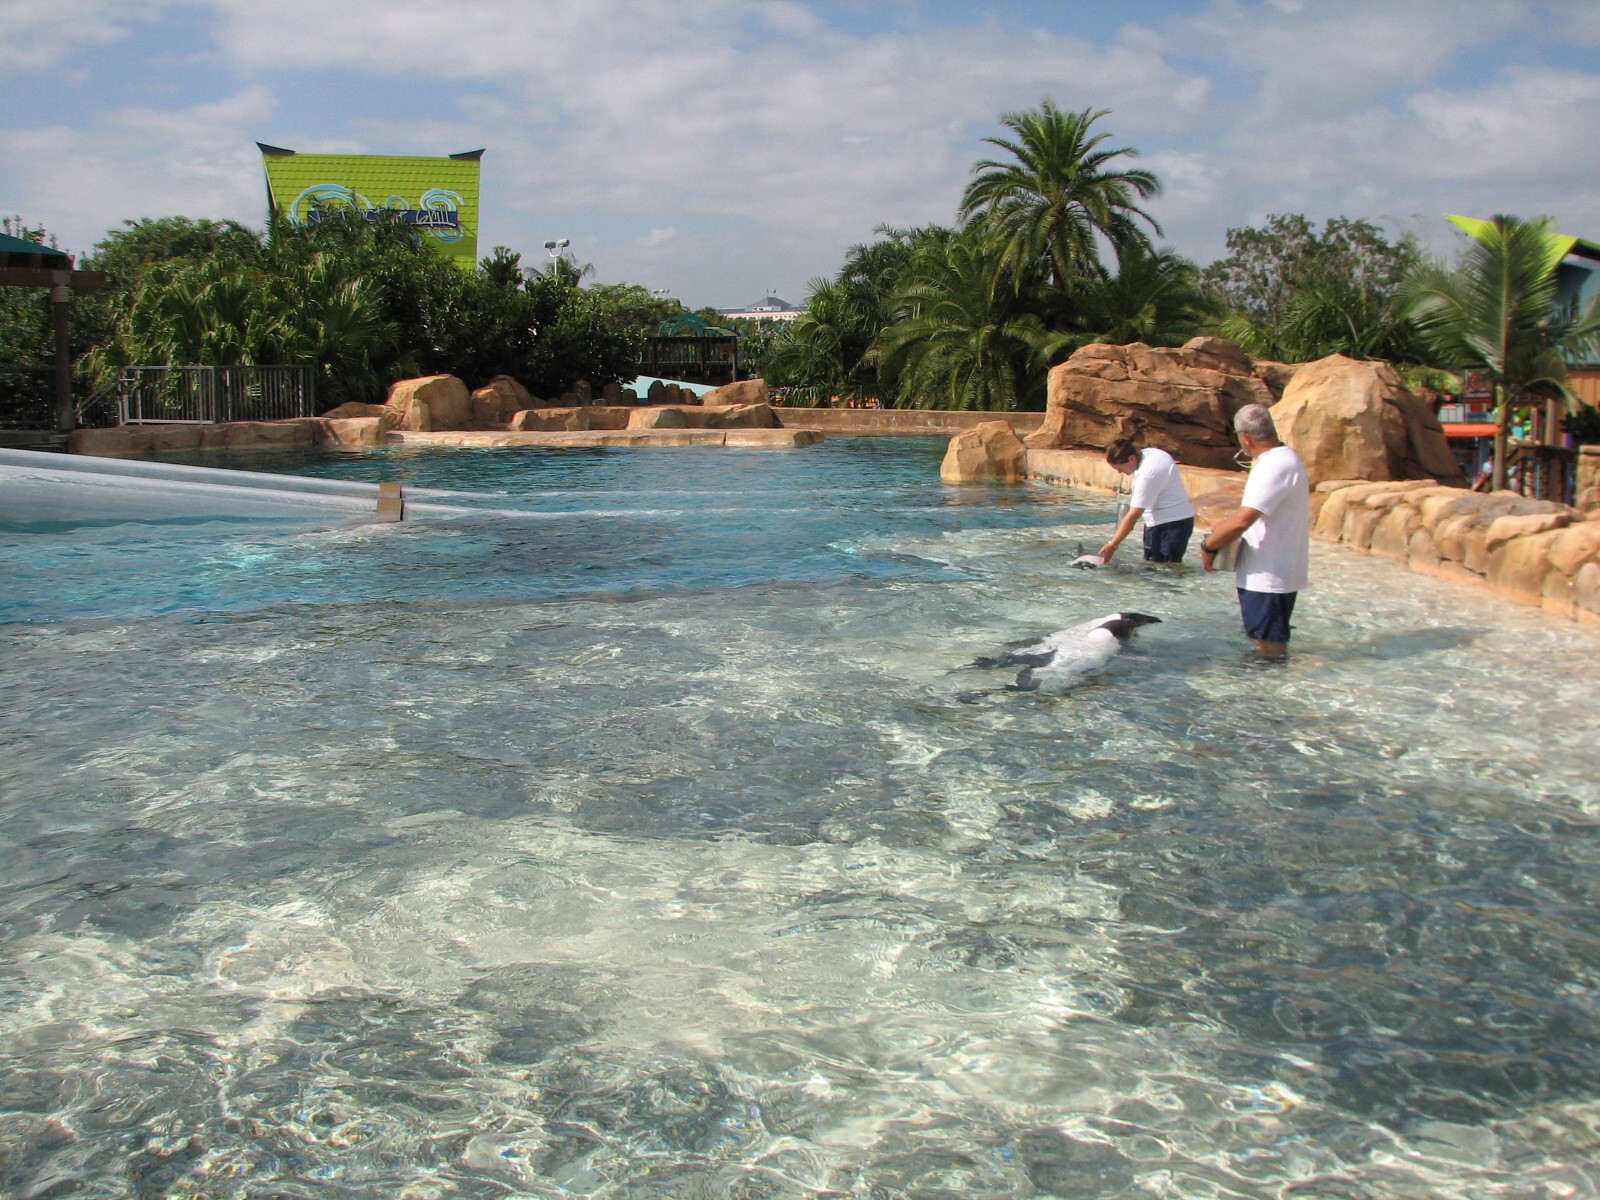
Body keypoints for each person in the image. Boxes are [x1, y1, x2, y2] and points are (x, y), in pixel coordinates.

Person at [1198, 404, 1310, 658]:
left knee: (1266, 647)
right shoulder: (1282, 459)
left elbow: (1242, 520)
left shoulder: (1275, 465)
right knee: (1265, 640)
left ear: (1245, 437)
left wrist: (1209, 546)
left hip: (1268, 577)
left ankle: (1266, 695)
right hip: (1273, 572)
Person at [1096, 438, 1196, 564]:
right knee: (1154, 569)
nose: (1120, 472)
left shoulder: (1147, 475)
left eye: (1120, 468)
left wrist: (1113, 544)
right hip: (1170, 522)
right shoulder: (1149, 453)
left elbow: (1133, 515)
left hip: (1170, 526)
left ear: (1131, 458)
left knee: (1166, 571)